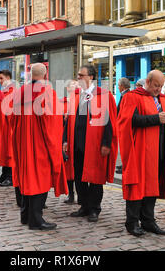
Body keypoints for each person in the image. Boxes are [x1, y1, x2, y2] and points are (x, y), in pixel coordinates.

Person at [117, 70, 165, 237]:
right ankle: (132, 222)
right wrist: (156, 118)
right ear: (148, 82)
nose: (159, 89)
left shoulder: (163, 99)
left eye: (161, 86)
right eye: (156, 85)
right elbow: (130, 120)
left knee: (153, 187)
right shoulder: (132, 97)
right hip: (140, 150)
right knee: (137, 186)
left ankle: (149, 221)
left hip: (160, 150)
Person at [11, 63, 68, 230]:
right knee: (39, 180)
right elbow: (51, 122)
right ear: (45, 75)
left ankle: (25, 215)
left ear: (30, 75)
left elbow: (12, 120)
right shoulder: (47, 93)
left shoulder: (19, 92)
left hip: (23, 143)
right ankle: (36, 220)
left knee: (27, 179)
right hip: (40, 144)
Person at [63, 65, 118, 223]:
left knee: (95, 178)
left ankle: (94, 208)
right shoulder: (76, 95)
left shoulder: (103, 95)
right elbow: (69, 120)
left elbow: (110, 122)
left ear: (91, 77)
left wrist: (106, 143)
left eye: (82, 75)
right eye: (78, 75)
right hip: (77, 143)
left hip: (94, 144)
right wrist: (65, 139)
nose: (78, 78)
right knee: (79, 177)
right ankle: (84, 206)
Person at [0, 69, 15, 187]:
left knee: (10, 152)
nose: (0, 81)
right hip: (5, 125)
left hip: (10, 125)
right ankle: (4, 174)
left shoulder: (12, 91)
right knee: (5, 152)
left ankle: (11, 176)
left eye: (1, 78)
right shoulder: (6, 90)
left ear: (8, 78)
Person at [62, 79, 81, 205]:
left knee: (77, 169)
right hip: (68, 137)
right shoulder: (65, 102)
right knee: (69, 168)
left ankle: (80, 196)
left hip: (77, 138)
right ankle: (71, 194)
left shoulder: (79, 99)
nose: (75, 87)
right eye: (73, 85)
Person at [116, 77, 131, 174]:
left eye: (118, 85)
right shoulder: (125, 94)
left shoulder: (127, 95)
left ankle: (125, 166)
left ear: (122, 86)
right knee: (123, 148)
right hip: (122, 125)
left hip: (125, 126)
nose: (117, 87)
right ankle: (124, 165)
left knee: (126, 148)